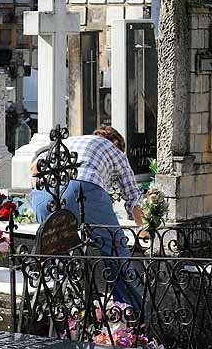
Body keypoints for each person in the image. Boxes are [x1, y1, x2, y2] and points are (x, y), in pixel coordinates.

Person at [31, 127, 145, 306]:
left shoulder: (70, 141)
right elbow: (132, 195)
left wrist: (41, 194)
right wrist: (142, 229)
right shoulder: (114, 150)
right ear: (115, 142)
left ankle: (62, 306)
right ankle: (129, 311)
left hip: (44, 195)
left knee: (57, 253)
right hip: (84, 190)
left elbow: (34, 169)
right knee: (115, 247)